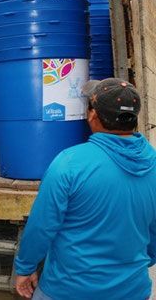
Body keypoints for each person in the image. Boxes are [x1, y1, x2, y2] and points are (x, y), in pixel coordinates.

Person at [14, 78, 156, 299]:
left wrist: (25, 268)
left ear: (92, 114)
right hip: (133, 290)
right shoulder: (154, 163)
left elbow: (42, 225)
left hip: (69, 290)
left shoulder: (69, 163)